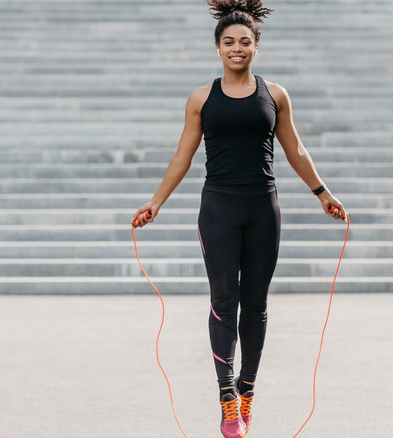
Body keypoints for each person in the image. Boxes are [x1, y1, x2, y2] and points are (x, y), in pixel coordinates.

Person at [132, 1, 346, 436]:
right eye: (229, 42)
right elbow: (182, 157)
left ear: (256, 47)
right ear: (217, 48)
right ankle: (227, 396)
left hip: (263, 208)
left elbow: (296, 150)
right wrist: (156, 202)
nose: (237, 48)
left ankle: (248, 389)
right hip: (219, 209)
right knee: (223, 298)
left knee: (257, 303)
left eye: (244, 42)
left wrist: (322, 193)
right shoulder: (200, 99)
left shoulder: (276, 95)